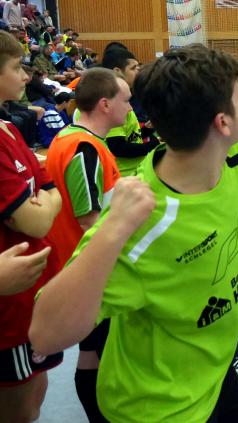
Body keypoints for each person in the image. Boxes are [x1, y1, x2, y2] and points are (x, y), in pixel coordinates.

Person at [30, 43, 238, 423]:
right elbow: (44, 334)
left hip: (215, 372)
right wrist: (111, 233)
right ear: (222, 122)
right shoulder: (141, 224)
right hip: (157, 406)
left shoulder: (227, 154)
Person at [44, 68, 127, 422]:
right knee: (100, 351)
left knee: (93, 350)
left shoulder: (77, 139)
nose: (130, 105)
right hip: (91, 271)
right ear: (106, 104)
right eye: (125, 99)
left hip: (85, 268)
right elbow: (88, 218)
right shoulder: (84, 147)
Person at [0, 30, 62, 423]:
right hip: (10, 310)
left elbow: (47, 182)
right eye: (15, 67)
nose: (25, 76)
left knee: (34, 395)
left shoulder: (7, 128)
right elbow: (36, 216)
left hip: (30, 304)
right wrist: (50, 198)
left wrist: (49, 194)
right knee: (18, 410)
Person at [101, 43, 160, 176]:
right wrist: (153, 145)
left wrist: (148, 129)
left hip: (136, 170)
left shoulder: (123, 97)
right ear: (117, 72)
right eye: (133, 68)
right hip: (124, 176)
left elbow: (130, 137)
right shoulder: (112, 102)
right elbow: (118, 147)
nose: (138, 71)